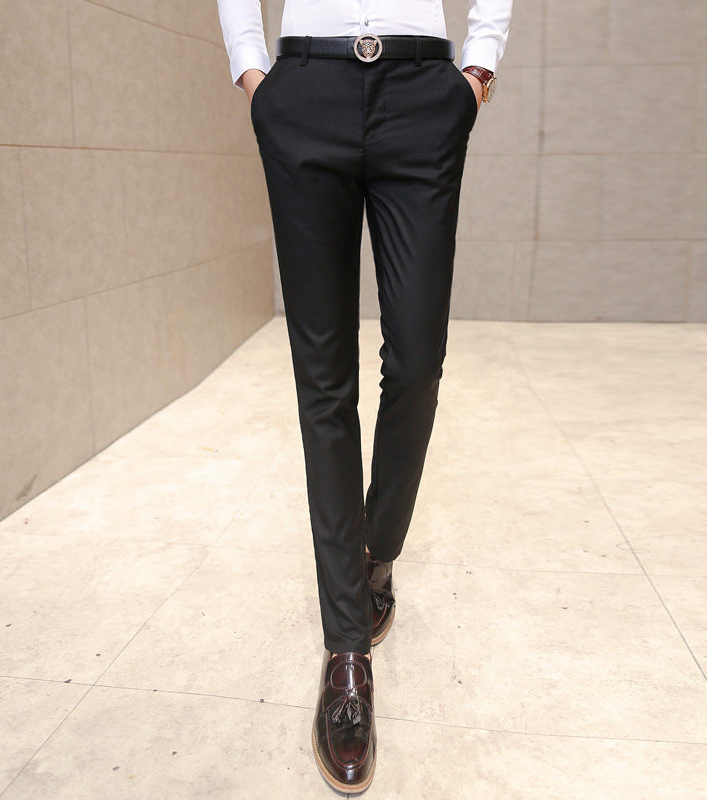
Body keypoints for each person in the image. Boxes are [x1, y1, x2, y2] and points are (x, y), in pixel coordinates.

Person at [217, 0, 513, 792]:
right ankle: (346, 650)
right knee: (324, 378)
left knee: (416, 363)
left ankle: (375, 554)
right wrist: (253, 72)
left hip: (424, 93)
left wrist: (478, 67)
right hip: (303, 88)